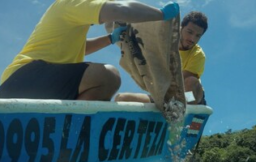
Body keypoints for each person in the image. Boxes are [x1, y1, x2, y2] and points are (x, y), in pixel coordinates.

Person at [0, 0, 180, 101]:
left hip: (24, 83)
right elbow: (118, 9)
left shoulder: (68, 18)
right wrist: (161, 15)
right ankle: (71, 136)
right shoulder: (71, 3)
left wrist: (111, 39)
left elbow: (81, 47)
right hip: (25, 77)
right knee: (108, 76)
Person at [115, 11, 208, 105]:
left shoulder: (198, 54)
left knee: (191, 82)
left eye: (197, 36)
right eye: (190, 32)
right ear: (181, 28)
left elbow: (180, 82)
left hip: (188, 97)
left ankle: (186, 112)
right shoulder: (164, 42)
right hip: (165, 98)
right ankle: (167, 111)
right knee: (121, 98)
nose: (192, 39)